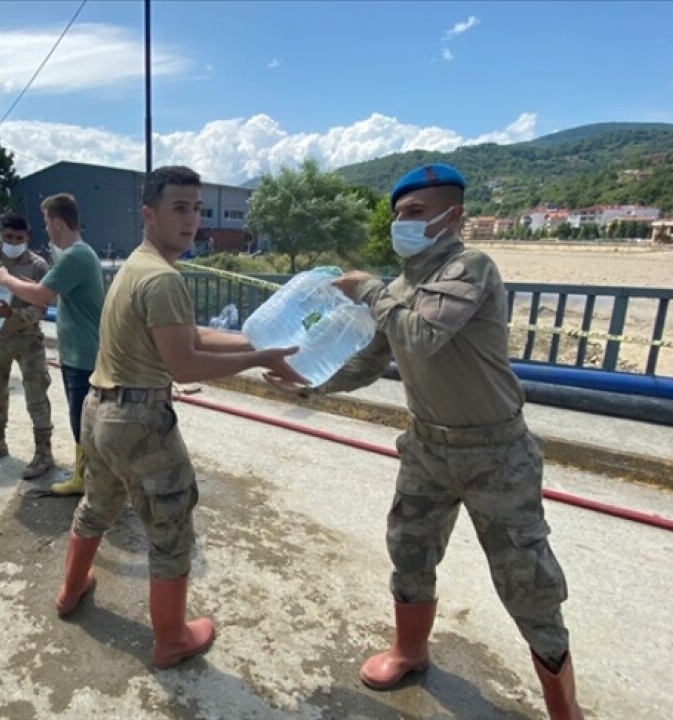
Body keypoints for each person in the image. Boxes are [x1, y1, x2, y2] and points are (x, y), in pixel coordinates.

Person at [267, 163, 584, 719]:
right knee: (409, 550)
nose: (402, 224)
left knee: (526, 580)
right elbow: (372, 358)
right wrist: (310, 382)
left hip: (496, 454)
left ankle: (564, 709)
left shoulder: (471, 268)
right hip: (427, 449)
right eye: (398, 215)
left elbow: (422, 334)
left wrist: (367, 288)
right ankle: (409, 651)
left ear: (452, 216)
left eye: (415, 213)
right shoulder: (402, 286)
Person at [53, 166, 304, 669]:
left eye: (197, 209)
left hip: (99, 411)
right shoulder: (164, 278)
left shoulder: (135, 266)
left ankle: (70, 590)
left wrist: (261, 343)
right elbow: (185, 363)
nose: (191, 220)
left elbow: (184, 337)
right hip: (140, 419)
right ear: (149, 213)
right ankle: (171, 639)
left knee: (98, 505)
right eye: (179, 208)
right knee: (170, 529)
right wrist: (259, 361)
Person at [0, 193, 104, 496]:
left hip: (84, 355)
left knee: (83, 418)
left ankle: (87, 479)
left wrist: (4, 277)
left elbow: (39, 295)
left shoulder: (77, 256)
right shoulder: (74, 254)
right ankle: (86, 474)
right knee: (82, 417)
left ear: (58, 222)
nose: (46, 230)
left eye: (47, 223)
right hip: (78, 352)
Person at [0, 213, 55, 478]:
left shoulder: (38, 265)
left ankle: (43, 453)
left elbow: (41, 306)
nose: (13, 242)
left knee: (36, 394)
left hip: (28, 339)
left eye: (19, 238)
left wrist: (12, 316)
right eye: (8, 237)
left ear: (27, 238)